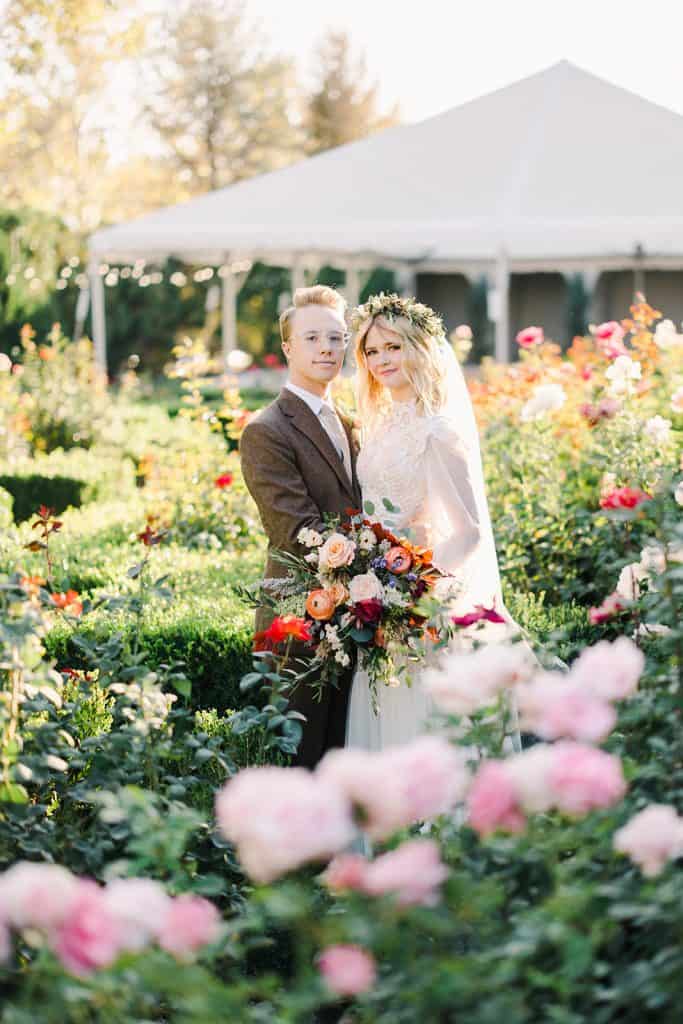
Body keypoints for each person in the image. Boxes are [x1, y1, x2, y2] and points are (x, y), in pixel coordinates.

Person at [346, 292, 520, 751]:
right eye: (371, 351)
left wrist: (410, 589)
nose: (381, 359)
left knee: (422, 732)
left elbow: (468, 531)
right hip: (376, 601)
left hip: (418, 607)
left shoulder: (437, 430)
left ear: (418, 348)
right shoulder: (379, 424)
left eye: (393, 346)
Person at [240, 284, 362, 768]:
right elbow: (296, 530)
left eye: (336, 338)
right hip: (299, 619)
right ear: (288, 347)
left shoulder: (350, 421)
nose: (327, 349)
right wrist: (375, 565)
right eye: (312, 338)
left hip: (356, 617)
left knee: (341, 757)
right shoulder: (266, 430)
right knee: (302, 763)